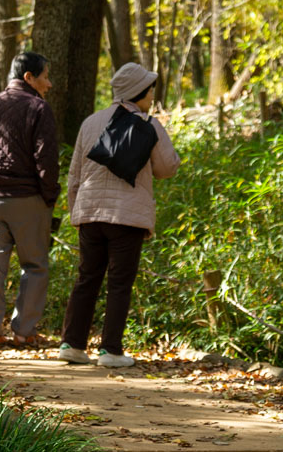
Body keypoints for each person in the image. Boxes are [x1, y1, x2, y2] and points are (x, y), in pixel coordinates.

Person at [57, 62, 180, 367]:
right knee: (120, 282)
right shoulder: (149, 126)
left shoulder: (90, 123)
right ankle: (111, 351)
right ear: (137, 91)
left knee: (87, 278)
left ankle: (72, 344)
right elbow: (168, 168)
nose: (152, 94)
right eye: (149, 89)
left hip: (90, 213)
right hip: (127, 216)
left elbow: (75, 175)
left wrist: (77, 213)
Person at [0, 51, 60, 350]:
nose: (49, 83)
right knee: (35, 265)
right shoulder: (38, 108)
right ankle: (23, 331)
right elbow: (46, 158)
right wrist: (49, 196)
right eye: (45, 76)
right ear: (28, 77)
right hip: (27, 198)